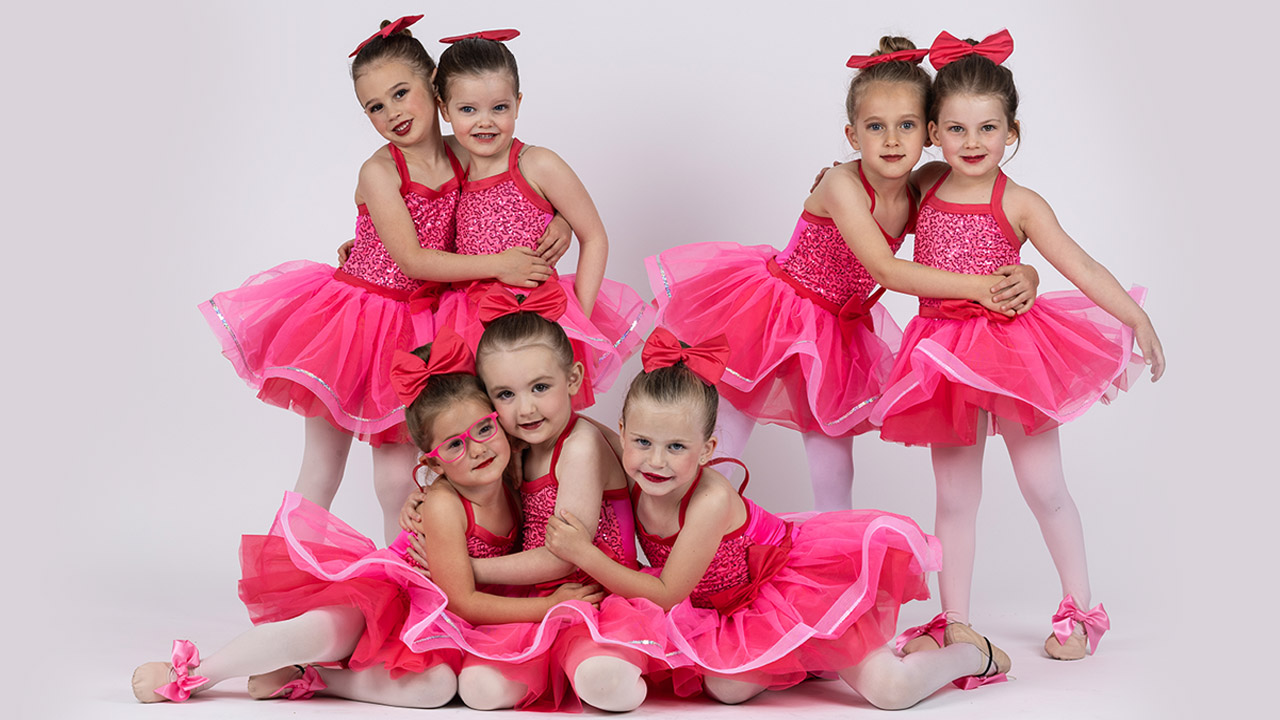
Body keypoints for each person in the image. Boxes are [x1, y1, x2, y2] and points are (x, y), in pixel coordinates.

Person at [198, 16, 570, 542]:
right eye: (375, 106)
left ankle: (404, 576)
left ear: (436, 91)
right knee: (323, 468)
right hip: (355, 322)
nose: (393, 112)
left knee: (398, 476)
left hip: (417, 327)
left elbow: (520, 175)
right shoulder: (381, 170)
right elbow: (414, 260)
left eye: (402, 93)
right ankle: (287, 573)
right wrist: (499, 264)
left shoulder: (468, 149)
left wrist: (558, 218)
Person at [645, 37, 1037, 510]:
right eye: (876, 127)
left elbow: (969, 233)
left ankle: (837, 560)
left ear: (929, 134)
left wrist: (1025, 272)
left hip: (834, 331)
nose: (892, 140)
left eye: (906, 125)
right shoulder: (841, 184)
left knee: (833, 463)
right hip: (776, 314)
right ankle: (691, 542)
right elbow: (885, 269)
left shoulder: (920, 190)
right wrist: (985, 289)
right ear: (853, 136)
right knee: (725, 438)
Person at [874, 30, 1165, 661]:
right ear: (932, 132)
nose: (972, 143)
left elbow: (1079, 266)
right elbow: (870, 205)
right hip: (942, 361)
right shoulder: (923, 186)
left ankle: (1081, 610)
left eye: (987, 128)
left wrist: (1133, 315)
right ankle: (955, 622)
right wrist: (835, 179)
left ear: (1012, 132)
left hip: (1011, 357)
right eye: (955, 129)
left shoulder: (1021, 202)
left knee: (1044, 486)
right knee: (954, 497)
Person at [544, 328, 1012, 708]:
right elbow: (576, 425)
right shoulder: (636, 469)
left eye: (677, 448)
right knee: (727, 688)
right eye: (643, 443)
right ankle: (809, 659)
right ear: (622, 434)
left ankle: (971, 655)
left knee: (891, 691)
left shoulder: (709, 500)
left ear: (708, 451)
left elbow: (667, 594)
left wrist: (582, 553)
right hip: (729, 606)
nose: (656, 462)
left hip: (791, 586)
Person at [131, 328, 599, 706]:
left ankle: (308, 679)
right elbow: (465, 601)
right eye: (455, 444)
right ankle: (194, 673)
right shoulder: (441, 504)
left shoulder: (514, 468)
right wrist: (552, 606)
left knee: (435, 689)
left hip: (445, 619)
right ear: (432, 463)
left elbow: (581, 436)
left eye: (483, 429)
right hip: (396, 597)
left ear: (499, 424)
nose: (476, 448)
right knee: (324, 629)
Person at [427, 29, 650, 410]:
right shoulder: (450, 170)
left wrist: (575, 312)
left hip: (536, 316)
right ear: (444, 109)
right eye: (468, 110)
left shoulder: (536, 163)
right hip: (468, 320)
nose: (485, 122)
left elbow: (594, 235)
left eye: (499, 108)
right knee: (485, 422)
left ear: (517, 103)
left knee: (539, 420)